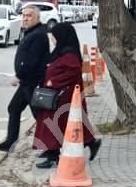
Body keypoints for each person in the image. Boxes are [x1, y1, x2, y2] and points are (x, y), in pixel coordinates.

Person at [32, 21, 101, 169]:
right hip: (59, 95)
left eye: (55, 36)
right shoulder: (61, 50)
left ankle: (52, 155)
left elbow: (73, 71)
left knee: (55, 123)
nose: (53, 39)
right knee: (68, 123)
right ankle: (89, 143)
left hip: (64, 96)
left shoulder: (69, 53)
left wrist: (54, 81)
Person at [0, 6, 49, 152]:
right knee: (14, 108)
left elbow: (32, 61)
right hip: (27, 82)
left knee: (40, 116)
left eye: (29, 16)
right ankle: (10, 142)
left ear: (37, 18)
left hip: (32, 82)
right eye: (24, 15)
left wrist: (19, 75)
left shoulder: (38, 35)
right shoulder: (31, 33)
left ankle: (53, 148)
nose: (25, 18)